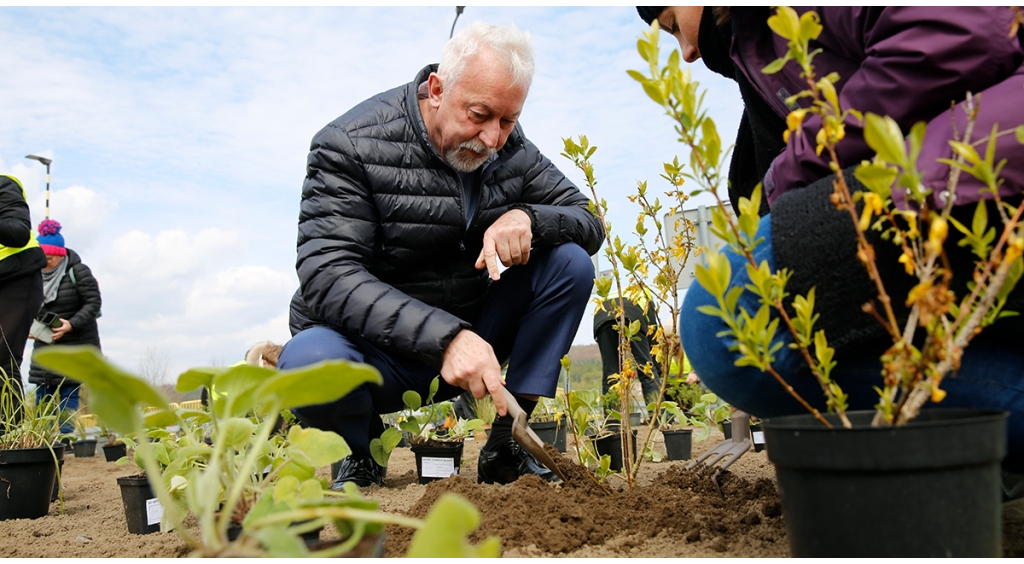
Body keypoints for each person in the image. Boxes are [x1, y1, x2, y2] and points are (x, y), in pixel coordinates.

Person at [639, 7, 1024, 472]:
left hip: (980, 165)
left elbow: (963, 30)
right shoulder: (755, 44)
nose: (686, 52)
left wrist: (792, 170)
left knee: (723, 317)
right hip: (950, 174)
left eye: (672, 26)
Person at [278, 21, 604, 488]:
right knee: (305, 360)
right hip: (378, 352)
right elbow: (328, 274)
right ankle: (360, 450)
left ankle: (507, 441)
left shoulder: (511, 150)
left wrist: (529, 218)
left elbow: (586, 218)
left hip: (477, 336)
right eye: (479, 115)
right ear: (437, 89)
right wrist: (446, 339)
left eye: (507, 120)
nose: (493, 138)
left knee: (569, 263)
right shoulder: (350, 145)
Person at [27, 219, 102, 432]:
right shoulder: (33, 276)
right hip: (45, 344)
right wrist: (29, 328)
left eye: (49, 258)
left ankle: (65, 439)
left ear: (60, 255)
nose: (45, 262)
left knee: (68, 393)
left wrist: (71, 324)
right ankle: (44, 438)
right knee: (43, 394)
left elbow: (93, 303)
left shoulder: (78, 271)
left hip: (74, 344)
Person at [0, 174, 46, 415]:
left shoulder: (4, 185)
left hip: (17, 280)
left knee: (2, 359)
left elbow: (18, 233)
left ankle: (8, 438)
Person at [593, 295, 662, 407]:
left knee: (611, 372)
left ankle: (612, 420)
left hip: (602, 318)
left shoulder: (612, 294)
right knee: (646, 369)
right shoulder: (644, 296)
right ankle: (657, 415)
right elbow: (652, 338)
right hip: (632, 318)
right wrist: (657, 370)